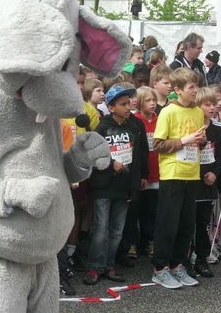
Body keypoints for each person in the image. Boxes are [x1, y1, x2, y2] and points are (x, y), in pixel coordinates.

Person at [151, 67, 205, 289]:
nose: (196, 91)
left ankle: (177, 265)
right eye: (191, 87)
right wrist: (185, 140)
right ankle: (160, 268)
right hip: (172, 173)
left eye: (197, 86)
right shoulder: (168, 112)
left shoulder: (198, 112)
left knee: (186, 224)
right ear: (178, 90)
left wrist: (199, 141)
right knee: (168, 223)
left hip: (192, 173)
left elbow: (199, 141)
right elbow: (158, 144)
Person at [84, 86, 144, 285]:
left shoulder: (134, 126)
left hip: (124, 186)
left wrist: (136, 184)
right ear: (110, 107)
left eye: (129, 103)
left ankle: (109, 264)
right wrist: (111, 163)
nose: (128, 107)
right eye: (123, 104)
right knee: (101, 228)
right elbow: (93, 154)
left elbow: (137, 157)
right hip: (104, 186)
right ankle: (94, 267)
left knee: (117, 229)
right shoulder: (102, 127)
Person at [192, 87, 221, 278]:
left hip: (209, 182)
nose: (212, 107)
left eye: (214, 104)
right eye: (207, 104)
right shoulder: (190, 127)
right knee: (187, 223)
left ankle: (202, 259)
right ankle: (185, 259)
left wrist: (215, 174)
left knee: (203, 222)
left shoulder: (217, 129)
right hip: (190, 179)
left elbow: (219, 156)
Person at [133, 87, 159, 259]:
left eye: (154, 100)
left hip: (157, 172)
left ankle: (148, 241)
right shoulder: (135, 120)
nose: (152, 104)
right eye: (148, 100)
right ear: (140, 102)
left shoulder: (160, 119)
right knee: (135, 210)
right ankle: (132, 243)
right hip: (140, 173)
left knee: (152, 210)